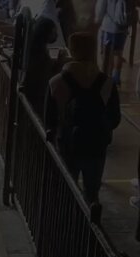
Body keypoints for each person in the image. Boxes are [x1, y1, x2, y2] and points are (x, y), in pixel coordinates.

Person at [45, 32, 121, 205]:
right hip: (96, 145)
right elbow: (115, 118)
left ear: (72, 51)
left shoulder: (56, 82)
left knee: (66, 191)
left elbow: (49, 120)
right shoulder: (107, 83)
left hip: (67, 144)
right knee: (92, 192)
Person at [95, 0, 137, 89]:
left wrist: (97, 20)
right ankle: (116, 78)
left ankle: (105, 77)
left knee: (106, 53)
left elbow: (100, 9)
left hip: (108, 26)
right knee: (118, 52)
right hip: (122, 28)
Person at [23, 16, 59, 118]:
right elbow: (43, 72)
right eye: (53, 32)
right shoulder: (39, 54)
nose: (55, 35)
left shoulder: (35, 46)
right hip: (37, 93)